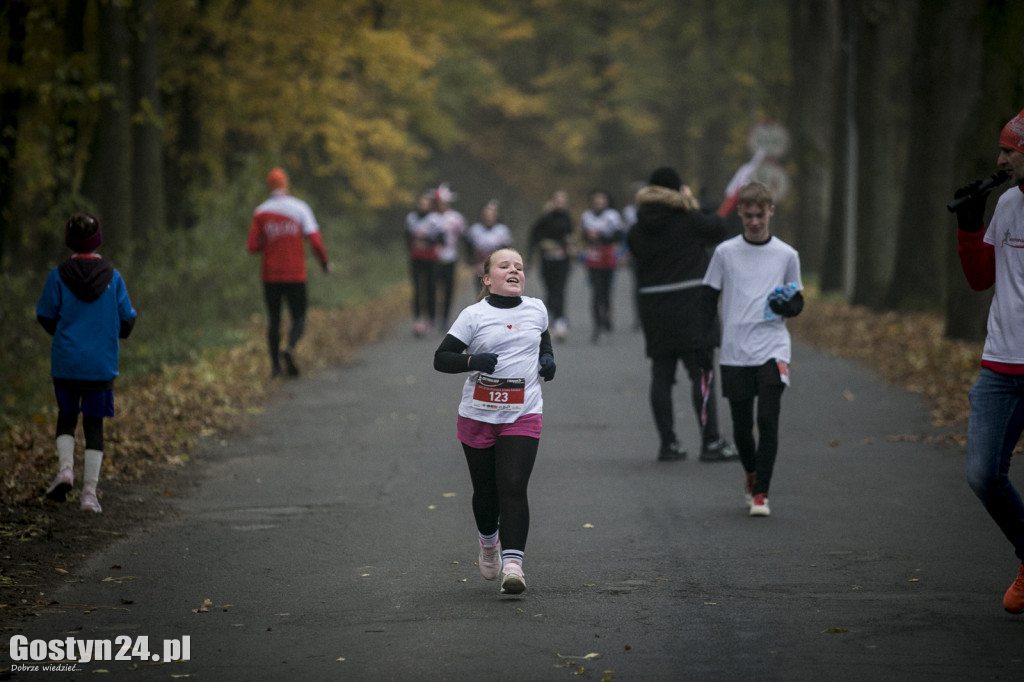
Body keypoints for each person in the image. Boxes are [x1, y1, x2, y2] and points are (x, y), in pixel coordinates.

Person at [433, 247, 556, 596]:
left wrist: (547, 359)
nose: (514, 270)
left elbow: (542, 338)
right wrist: (472, 360)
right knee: (486, 493)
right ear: (487, 279)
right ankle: (488, 542)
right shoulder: (474, 315)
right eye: (505, 266)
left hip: (523, 411)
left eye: (519, 266)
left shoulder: (536, 309)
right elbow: (441, 358)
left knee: (513, 485)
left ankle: (513, 565)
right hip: (478, 416)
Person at [953, 106, 1024, 614]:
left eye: (1009, 151)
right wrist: (970, 228)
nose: (1000, 158)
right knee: (982, 474)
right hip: (1000, 364)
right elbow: (982, 278)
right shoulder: (1008, 205)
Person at [703, 181, 803, 517]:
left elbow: (797, 301)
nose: (755, 222)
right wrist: (706, 341)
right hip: (735, 350)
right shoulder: (725, 252)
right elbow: (707, 299)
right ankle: (751, 472)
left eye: (760, 215)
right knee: (742, 427)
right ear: (741, 215)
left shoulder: (787, 255)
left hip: (773, 347)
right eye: (748, 216)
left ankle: (761, 493)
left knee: (768, 419)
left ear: (770, 212)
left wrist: (786, 305)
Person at [628, 166, 738, 463]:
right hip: (691, 305)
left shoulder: (638, 229)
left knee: (661, 376)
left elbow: (635, 253)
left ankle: (668, 444)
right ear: (678, 191)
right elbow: (718, 228)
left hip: (654, 308)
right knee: (700, 374)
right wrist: (691, 203)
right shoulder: (689, 219)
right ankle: (710, 442)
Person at [36, 213, 138, 513]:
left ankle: (66, 470)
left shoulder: (58, 276)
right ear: (98, 240)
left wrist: (66, 335)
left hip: (67, 362)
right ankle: (89, 495)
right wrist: (105, 332)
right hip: (100, 364)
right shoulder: (113, 277)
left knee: (66, 417)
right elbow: (128, 322)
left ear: (69, 240)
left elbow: (45, 316)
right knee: (94, 426)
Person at [247, 167, 330, 378]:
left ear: (269, 186)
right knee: (299, 317)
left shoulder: (260, 212)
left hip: (270, 275)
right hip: (295, 274)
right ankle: (290, 347)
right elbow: (315, 241)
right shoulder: (300, 208)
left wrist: (269, 244)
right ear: (286, 184)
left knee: (274, 320)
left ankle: (275, 368)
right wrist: (324, 263)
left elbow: (252, 246)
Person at [528, 190, 575, 340]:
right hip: (547, 261)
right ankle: (550, 319)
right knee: (549, 290)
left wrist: (569, 245)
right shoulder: (545, 218)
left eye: (563, 200)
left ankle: (560, 321)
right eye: (557, 200)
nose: (560, 203)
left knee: (559, 289)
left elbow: (570, 238)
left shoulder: (568, 218)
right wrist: (542, 245)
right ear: (552, 201)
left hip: (563, 261)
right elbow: (534, 236)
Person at [581, 190, 624, 343]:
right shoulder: (586, 216)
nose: (598, 203)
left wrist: (601, 236)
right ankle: (597, 327)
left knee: (606, 291)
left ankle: (607, 315)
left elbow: (619, 235)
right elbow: (583, 235)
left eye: (601, 201)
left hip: (608, 257)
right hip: (593, 258)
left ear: (606, 202)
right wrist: (588, 237)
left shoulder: (612, 216)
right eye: (596, 201)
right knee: (596, 292)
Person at [406, 191, 443, 337]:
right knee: (416, 288)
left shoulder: (435, 219)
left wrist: (427, 238)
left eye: (426, 203)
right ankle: (418, 319)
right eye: (421, 203)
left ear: (430, 205)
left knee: (430, 288)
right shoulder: (411, 218)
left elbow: (442, 239)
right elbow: (407, 236)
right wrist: (412, 246)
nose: (423, 206)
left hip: (430, 258)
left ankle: (431, 319)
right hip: (415, 257)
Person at [432, 183, 467, 330]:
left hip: (451, 258)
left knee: (448, 290)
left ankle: (445, 319)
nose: (442, 205)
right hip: (433, 259)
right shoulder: (431, 217)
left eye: (445, 202)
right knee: (433, 289)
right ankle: (432, 318)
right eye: (440, 202)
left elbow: (466, 236)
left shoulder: (456, 217)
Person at [464, 199, 513, 290]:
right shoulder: (475, 230)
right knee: (481, 292)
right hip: (480, 266)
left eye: (492, 213)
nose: (489, 216)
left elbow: (507, 250)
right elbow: (468, 247)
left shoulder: (502, 230)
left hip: (497, 266)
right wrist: (471, 263)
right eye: (487, 213)